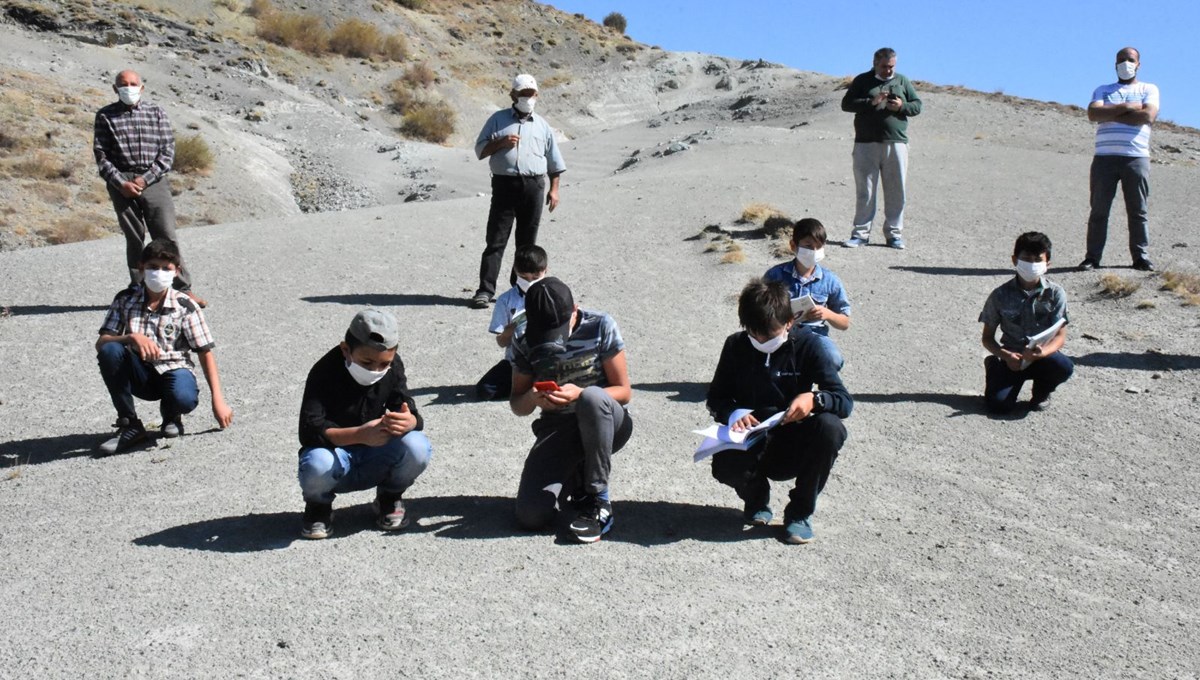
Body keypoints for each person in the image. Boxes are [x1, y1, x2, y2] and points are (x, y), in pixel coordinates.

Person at [706, 280, 852, 544]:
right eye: (753, 333)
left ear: (789, 322)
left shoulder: (809, 345)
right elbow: (716, 397)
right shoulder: (735, 345)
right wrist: (733, 413)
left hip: (793, 441)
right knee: (724, 464)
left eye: (769, 335)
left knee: (831, 428)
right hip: (750, 439)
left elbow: (844, 401)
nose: (761, 340)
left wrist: (814, 399)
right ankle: (756, 498)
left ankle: (799, 514)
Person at [509, 277, 632, 543]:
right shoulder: (522, 336)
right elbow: (517, 404)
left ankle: (598, 498)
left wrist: (580, 394)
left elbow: (623, 392)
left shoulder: (600, 325)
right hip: (558, 429)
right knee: (530, 516)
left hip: (607, 422)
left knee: (591, 398)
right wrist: (532, 397)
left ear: (574, 310)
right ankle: (574, 478)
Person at [297, 309, 432, 540]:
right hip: (335, 456)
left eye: (383, 364)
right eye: (366, 361)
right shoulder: (324, 371)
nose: (375, 370)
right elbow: (309, 431)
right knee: (316, 463)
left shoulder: (392, 366)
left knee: (418, 446)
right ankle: (319, 507)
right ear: (345, 349)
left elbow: (407, 408)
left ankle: (389, 498)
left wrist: (410, 421)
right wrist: (359, 435)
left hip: (374, 453)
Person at [95, 239, 232, 455]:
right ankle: (129, 424)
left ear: (176, 271)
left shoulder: (185, 306)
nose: (158, 273)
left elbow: (204, 352)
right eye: (152, 267)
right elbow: (102, 342)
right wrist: (131, 338)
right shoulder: (125, 299)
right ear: (141, 267)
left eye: (165, 268)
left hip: (173, 369)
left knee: (184, 398)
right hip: (139, 372)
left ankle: (171, 414)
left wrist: (218, 399)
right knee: (110, 351)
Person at [93, 69, 204, 305]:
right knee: (134, 237)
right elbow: (101, 156)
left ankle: (182, 289)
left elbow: (167, 152)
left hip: (153, 180)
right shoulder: (105, 116)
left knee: (166, 234)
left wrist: (145, 178)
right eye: (123, 84)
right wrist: (121, 183)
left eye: (133, 84)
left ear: (141, 87)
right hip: (121, 181)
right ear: (115, 89)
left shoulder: (157, 113)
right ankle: (138, 287)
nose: (129, 88)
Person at [471, 73, 566, 309]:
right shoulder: (498, 120)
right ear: (513, 94)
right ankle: (485, 290)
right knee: (496, 239)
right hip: (505, 185)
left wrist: (554, 190)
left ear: (537, 96)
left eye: (531, 94)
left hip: (534, 186)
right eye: (522, 94)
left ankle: (520, 291)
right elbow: (480, 150)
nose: (527, 98)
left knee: (526, 243)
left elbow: (555, 163)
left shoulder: (543, 126)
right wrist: (500, 143)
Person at [1080, 47, 1160, 272]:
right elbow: (1094, 114)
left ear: (1138, 64)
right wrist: (1127, 108)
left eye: (1130, 60)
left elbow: (1147, 116)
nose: (1125, 63)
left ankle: (1140, 257)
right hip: (1104, 158)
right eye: (1121, 60)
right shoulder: (1103, 90)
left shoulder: (1148, 89)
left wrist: (1111, 113)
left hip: (1136, 157)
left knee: (1138, 210)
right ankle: (1092, 258)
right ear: (1114, 64)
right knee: (1099, 210)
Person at [980, 232, 1074, 414]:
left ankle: (1042, 392)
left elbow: (1060, 336)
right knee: (999, 406)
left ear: (1047, 264)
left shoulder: (1055, 294)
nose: (1032, 264)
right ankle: (994, 367)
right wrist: (1005, 355)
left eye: (1037, 260)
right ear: (1015, 260)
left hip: (1042, 357)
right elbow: (987, 338)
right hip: (1012, 360)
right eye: (1026, 259)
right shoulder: (999, 295)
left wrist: (1042, 352)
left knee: (1063, 367)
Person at [840, 47, 922, 250]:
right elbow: (847, 104)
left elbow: (917, 105)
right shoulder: (862, 80)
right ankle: (860, 234)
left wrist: (901, 106)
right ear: (875, 63)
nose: (888, 70)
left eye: (892, 66)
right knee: (865, 190)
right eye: (885, 66)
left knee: (896, 190)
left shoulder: (902, 80)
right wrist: (872, 102)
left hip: (896, 143)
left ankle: (894, 234)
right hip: (866, 143)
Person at [476, 244, 548, 400]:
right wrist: (509, 331)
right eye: (524, 277)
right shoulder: (506, 300)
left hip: (547, 357)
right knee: (485, 390)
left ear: (545, 271)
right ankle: (530, 386)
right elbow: (501, 342)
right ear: (515, 271)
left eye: (535, 278)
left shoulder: (553, 294)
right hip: (517, 361)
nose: (529, 282)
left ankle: (533, 385)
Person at [762, 218, 851, 338]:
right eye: (808, 246)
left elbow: (844, 323)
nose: (814, 251)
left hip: (815, 335)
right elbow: (756, 309)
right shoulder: (775, 275)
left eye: (818, 247)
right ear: (793, 245)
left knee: (833, 357)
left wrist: (828, 314)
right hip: (781, 336)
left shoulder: (830, 280)